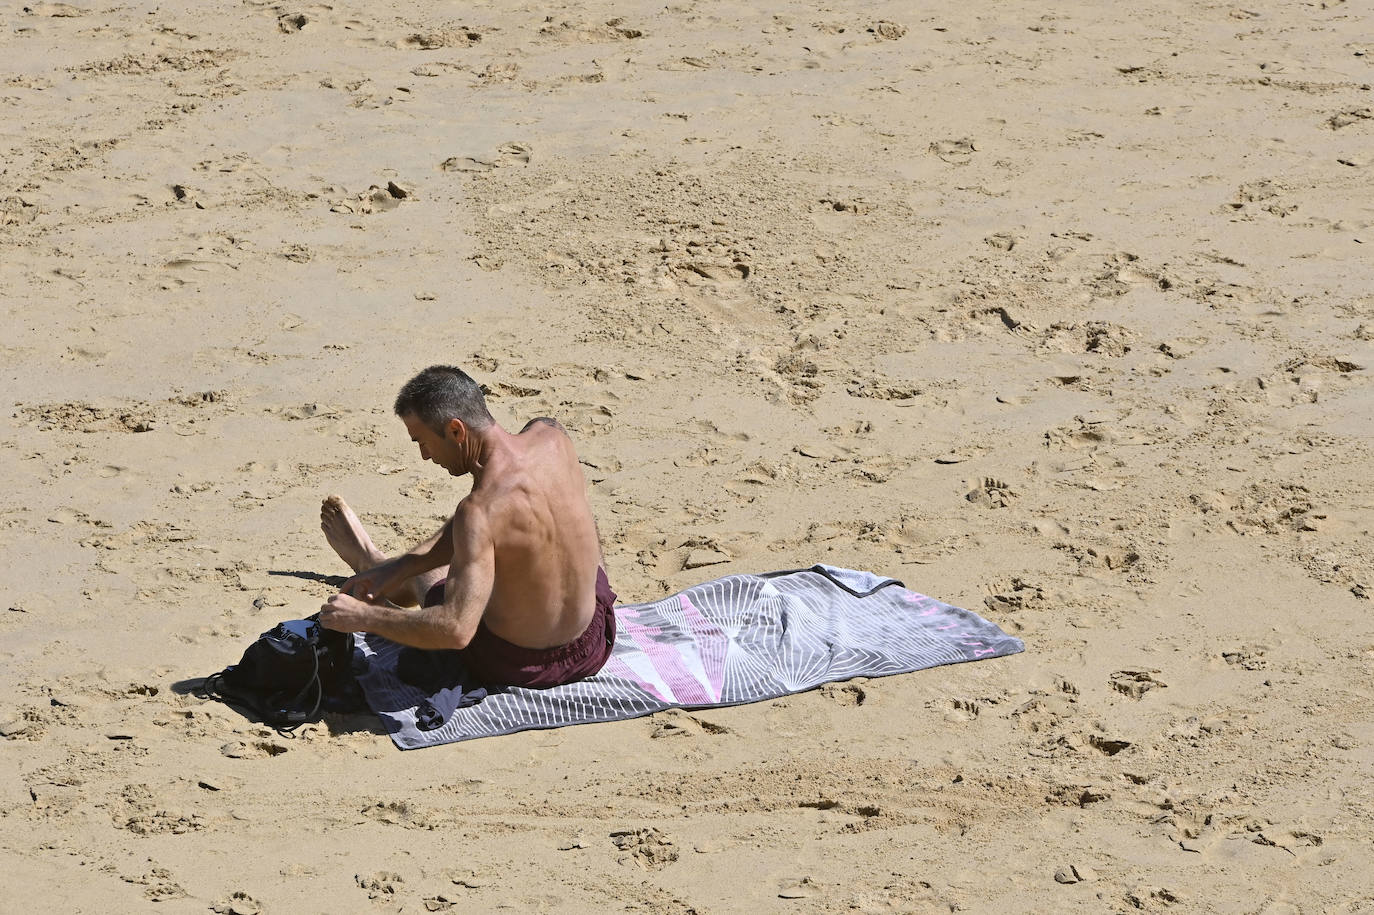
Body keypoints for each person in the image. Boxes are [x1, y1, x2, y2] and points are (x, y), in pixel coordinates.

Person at [316, 365, 616, 689]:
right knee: (553, 525)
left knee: (434, 577)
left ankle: (371, 563)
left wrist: (363, 618)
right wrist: (403, 565)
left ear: (457, 431)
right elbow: (495, 521)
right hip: (594, 640)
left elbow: (456, 630)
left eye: (424, 442)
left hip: (520, 665)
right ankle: (389, 569)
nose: (425, 456)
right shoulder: (553, 436)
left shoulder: (479, 510)